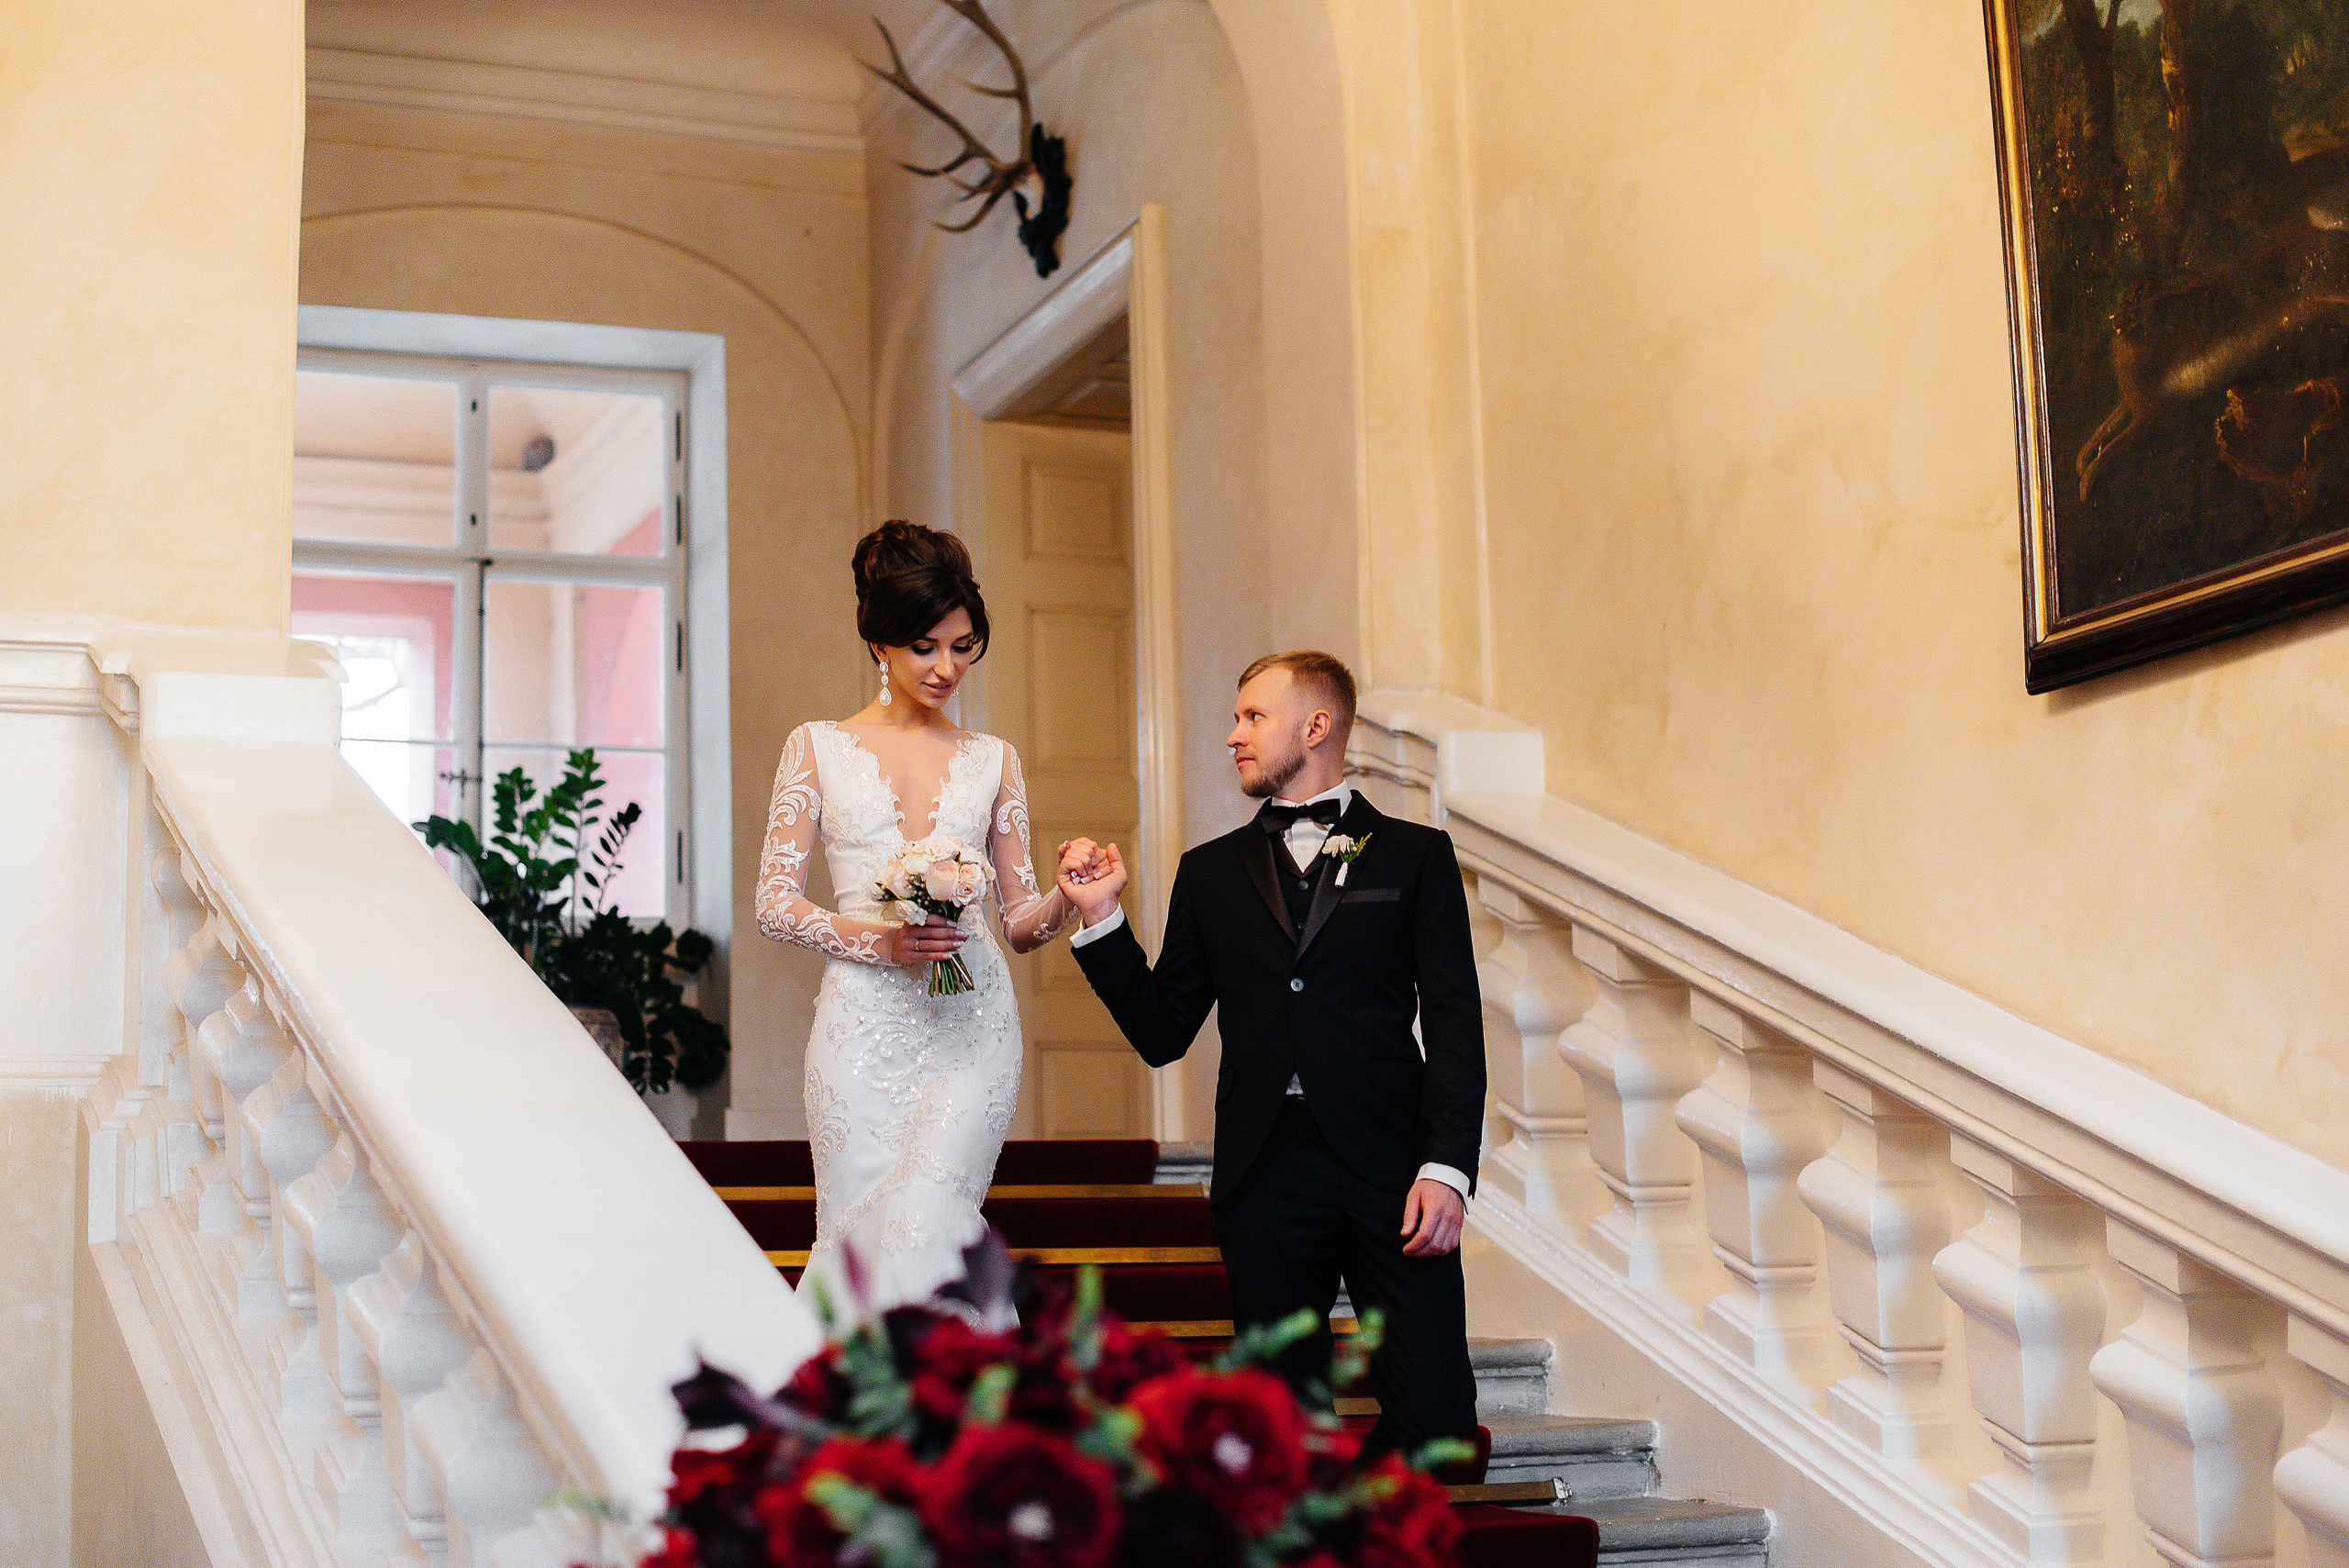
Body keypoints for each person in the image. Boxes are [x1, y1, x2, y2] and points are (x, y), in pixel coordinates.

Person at [1053, 651, 1486, 1458]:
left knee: (1436, 1415)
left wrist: (1448, 1166)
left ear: (1316, 725)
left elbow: (1456, 1022)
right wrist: (1102, 919)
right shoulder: (1209, 873)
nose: (1233, 735)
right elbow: (1163, 1030)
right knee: (1279, 1424)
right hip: (1266, 1167)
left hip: (1393, 1165)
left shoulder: (1416, 857)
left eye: (1253, 716)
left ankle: (1370, 1514)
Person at [754, 520, 1079, 1318]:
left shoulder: (995, 757)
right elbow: (775, 904)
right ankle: (861, 1399)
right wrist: (885, 941)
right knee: (857, 1244)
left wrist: (1070, 897)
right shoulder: (815, 746)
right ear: (880, 643)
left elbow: (1020, 921)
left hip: (972, 1028)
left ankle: (958, 1397)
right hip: (860, 1033)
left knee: (933, 1219)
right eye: (925, 647)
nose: (947, 668)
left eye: (963, 647)